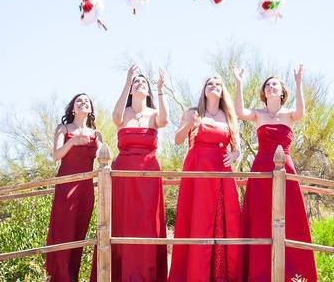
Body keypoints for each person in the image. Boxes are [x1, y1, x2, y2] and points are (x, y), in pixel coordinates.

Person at [234, 65, 318, 282]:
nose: (271, 87)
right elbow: (239, 112)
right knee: (261, 219)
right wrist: (239, 83)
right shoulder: (258, 114)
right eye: (267, 85)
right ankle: (258, 273)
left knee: (290, 220)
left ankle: (293, 274)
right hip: (261, 169)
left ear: (282, 91)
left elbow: (301, 113)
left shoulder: (289, 114)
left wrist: (299, 83)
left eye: (275, 84)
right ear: (264, 92)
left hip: (285, 169)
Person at [90, 64, 168, 281]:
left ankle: (146, 275)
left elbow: (165, 121)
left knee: (146, 224)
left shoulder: (154, 114)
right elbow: (115, 118)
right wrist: (126, 82)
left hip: (149, 174)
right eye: (137, 82)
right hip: (123, 173)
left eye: (144, 82)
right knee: (123, 223)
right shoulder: (123, 114)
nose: (140, 83)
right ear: (132, 89)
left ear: (149, 92)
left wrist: (161, 89)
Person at [169, 76, 241, 282]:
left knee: (222, 220)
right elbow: (177, 140)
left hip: (221, 173)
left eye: (218, 84)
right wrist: (189, 124)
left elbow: (237, 150)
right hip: (197, 172)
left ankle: (220, 275)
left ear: (222, 91)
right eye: (210, 84)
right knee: (198, 220)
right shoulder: (193, 112)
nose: (214, 87)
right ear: (204, 89)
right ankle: (195, 274)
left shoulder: (228, 116)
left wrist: (235, 155)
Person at [46, 93, 102, 282]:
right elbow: (56, 155)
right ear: (72, 108)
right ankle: (59, 278)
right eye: (79, 100)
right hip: (66, 187)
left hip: (86, 191)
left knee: (78, 236)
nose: (83, 102)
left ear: (91, 109)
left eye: (87, 101)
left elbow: (104, 156)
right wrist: (72, 141)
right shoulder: (63, 128)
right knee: (64, 234)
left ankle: (73, 278)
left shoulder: (96, 134)